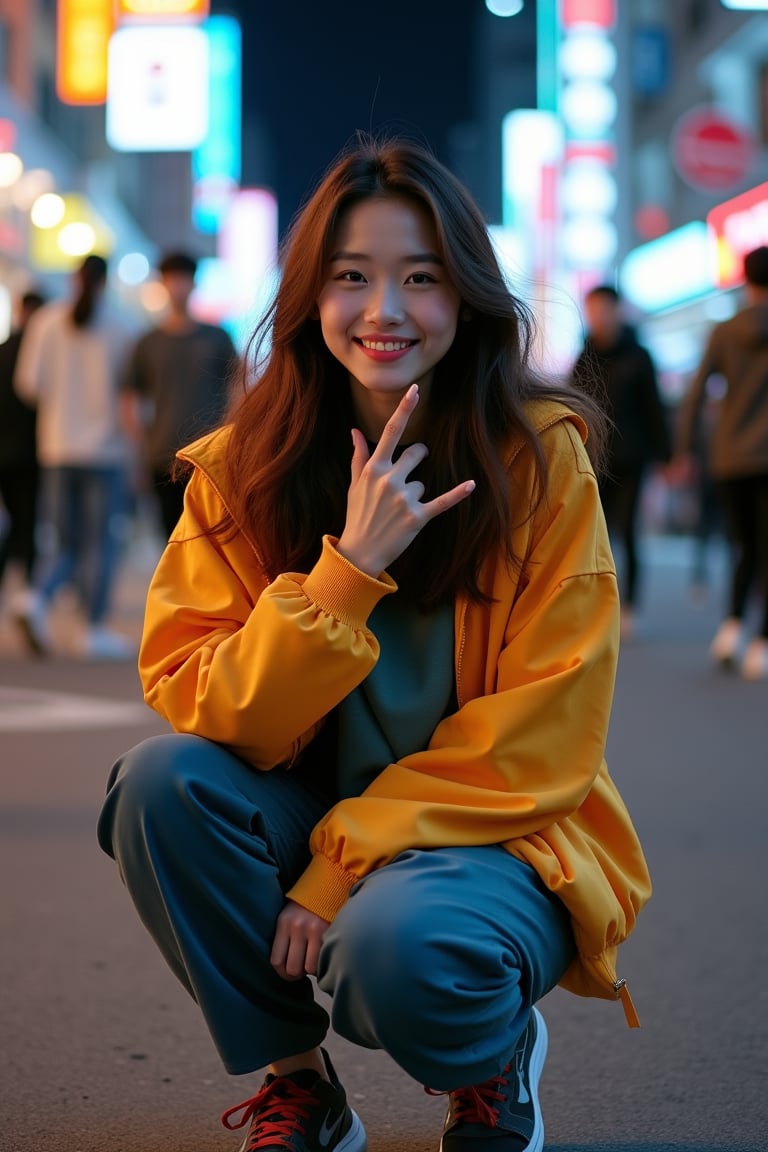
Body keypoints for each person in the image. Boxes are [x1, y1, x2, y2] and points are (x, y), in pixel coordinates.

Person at [97, 136, 651, 1152]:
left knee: (397, 956)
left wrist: (338, 865)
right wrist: (345, 575)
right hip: (310, 800)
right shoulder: (239, 471)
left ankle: (492, 1062)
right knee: (158, 784)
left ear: (467, 297)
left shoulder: (540, 464)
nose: (384, 311)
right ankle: (298, 1083)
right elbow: (203, 700)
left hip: (488, 836)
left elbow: (545, 733)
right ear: (311, 293)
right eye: (352, 277)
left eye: (421, 279)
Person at [12, 253, 138, 659]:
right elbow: (131, 395)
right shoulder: (122, 326)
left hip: (57, 446)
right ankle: (93, 627)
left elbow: (28, 385)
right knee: (99, 542)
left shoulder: (47, 321)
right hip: (106, 450)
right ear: (106, 282)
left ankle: (36, 596)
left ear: (74, 279)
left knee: (64, 541)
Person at [673, 244, 768, 681]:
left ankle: (730, 630)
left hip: (729, 455)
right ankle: (762, 644)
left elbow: (695, 395)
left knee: (743, 545)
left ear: (745, 280)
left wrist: (685, 451)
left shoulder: (725, 331)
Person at [570, 284, 670, 639]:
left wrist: (666, 455)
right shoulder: (584, 356)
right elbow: (572, 407)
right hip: (594, 458)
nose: (598, 316)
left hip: (632, 457)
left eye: (604, 309)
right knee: (596, 534)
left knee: (627, 531)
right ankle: (598, 604)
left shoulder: (638, 356)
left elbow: (654, 408)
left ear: (616, 311)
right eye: (592, 309)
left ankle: (630, 607)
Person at [120, 249, 240, 539]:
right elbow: (128, 398)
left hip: (211, 456)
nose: (178, 286)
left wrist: (231, 433)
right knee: (171, 538)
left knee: (211, 539)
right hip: (162, 456)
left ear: (194, 283)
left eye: (184, 279)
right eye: (172, 279)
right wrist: (142, 443)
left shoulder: (217, 337)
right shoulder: (148, 342)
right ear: (162, 284)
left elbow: (239, 385)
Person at [0, 289, 46, 609]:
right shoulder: (42, 351)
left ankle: (14, 590)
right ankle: (27, 592)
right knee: (27, 522)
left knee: (14, 521)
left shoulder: (3, 350)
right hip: (33, 453)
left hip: (4, 453)